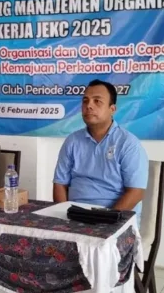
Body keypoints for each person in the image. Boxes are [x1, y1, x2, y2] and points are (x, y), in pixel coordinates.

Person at [52, 79, 149, 222]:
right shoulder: (72, 141)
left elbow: (136, 192)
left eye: (97, 101)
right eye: (85, 101)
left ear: (112, 109)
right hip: (75, 216)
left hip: (114, 218)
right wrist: (63, 216)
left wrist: (105, 219)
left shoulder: (128, 144)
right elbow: (60, 184)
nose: (89, 106)